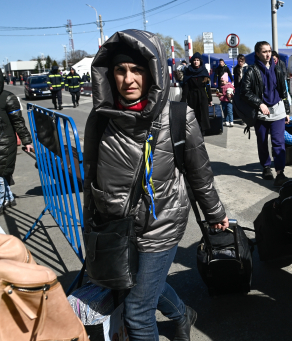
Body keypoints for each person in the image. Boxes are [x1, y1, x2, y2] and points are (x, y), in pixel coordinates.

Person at [84, 29, 229, 341]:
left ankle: (176, 316)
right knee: (138, 283)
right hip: (117, 226)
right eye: (120, 71)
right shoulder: (99, 118)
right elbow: (90, 176)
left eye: (138, 70)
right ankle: (182, 314)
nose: (129, 79)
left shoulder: (178, 116)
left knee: (137, 313)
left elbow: (199, 173)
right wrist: (91, 228)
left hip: (161, 224)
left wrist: (216, 215)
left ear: (154, 73)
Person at [0, 66, 34, 219]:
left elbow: (18, 122)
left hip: (4, 143)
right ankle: (9, 198)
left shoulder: (8, 98)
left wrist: (26, 140)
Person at [240, 41, 290, 187]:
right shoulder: (252, 70)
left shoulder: (278, 69)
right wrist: (259, 104)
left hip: (278, 111)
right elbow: (245, 92)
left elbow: (283, 91)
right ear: (257, 53)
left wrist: (286, 110)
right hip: (261, 113)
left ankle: (280, 172)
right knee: (262, 142)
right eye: (264, 51)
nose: (268, 54)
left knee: (278, 143)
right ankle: (266, 167)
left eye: (269, 51)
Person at [181, 52, 213, 133]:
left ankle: (203, 131)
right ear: (192, 61)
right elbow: (186, 87)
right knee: (193, 114)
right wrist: (183, 100)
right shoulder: (188, 71)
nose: (196, 62)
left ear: (200, 61)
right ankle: (194, 132)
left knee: (203, 114)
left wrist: (210, 99)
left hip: (202, 96)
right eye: (194, 60)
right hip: (192, 96)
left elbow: (207, 87)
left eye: (198, 60)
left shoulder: (204, 71)